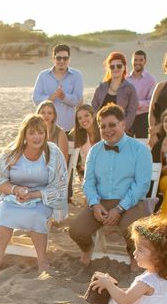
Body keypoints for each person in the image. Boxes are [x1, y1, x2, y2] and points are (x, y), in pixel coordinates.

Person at [69, 104, 152, 270]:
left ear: (123, 124)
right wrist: (94, 204)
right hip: (101, 201)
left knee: (133, 232)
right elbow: (89, 181)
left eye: (112, 124)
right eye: (103, 126)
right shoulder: (95, 151)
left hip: (131, 202)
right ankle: (88, 248)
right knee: (76, 231)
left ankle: (133, 255)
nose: (107, 130)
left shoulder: (140, 150)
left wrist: (120, 208)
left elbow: (141, 185)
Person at [0, 114, 68, 271]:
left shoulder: (53, 153)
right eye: (32, 133)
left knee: (37, 215)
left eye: (40, 132)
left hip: (42, 197)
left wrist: (34, 195)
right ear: (24, 134)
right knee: (5, 212)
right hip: (15, 197)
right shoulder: (11, 153)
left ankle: (42, 261)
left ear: (46, 134)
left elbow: (60, 185)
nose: (37, 137)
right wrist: (16, 189)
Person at [33, 44, 84, 132]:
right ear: (53, 58)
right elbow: (35, 99)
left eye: (65, 58)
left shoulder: (77, 75)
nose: (62, 61)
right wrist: (50, 98)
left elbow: (78, 100)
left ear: (69, 59)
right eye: (58, 58)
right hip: (46, 128)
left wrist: (64, 97)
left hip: (69, 127)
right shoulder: (43, 75)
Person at [91, 52, 138, 132]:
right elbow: (94, 108)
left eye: (119, 66)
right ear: (108, 69)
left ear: (124, 67)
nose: (115, 69)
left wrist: (121, 129)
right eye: (112, 67)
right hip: (102, 131)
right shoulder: (101, 88)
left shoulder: (130, 88)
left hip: (122, 132)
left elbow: (131, 112)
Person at [127, 50, 156, 139]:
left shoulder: (151, 79)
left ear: (145, 61)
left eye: (140, 60)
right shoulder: (125, 78)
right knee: (126, 145)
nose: (137, 62)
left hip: (143, 117)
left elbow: (152, 101)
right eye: (135, 60)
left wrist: (137, 103)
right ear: (132, 61)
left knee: (143, 144)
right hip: (128, 117)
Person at [69, 104, 101, 175]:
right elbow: (81, 162)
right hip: (89, 175)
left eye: (86, 115)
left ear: (93, 115)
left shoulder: (103, 132)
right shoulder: (80, 136)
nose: (83, 120)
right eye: (80, 118)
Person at [149, 54, 167, 149]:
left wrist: (158, 127)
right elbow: (152, 111)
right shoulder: (160, 86)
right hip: (158, 136)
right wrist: (153, 134)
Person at [155, 110, 167, 216]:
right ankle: (163, 219)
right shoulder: (158, 144)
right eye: (166, 121)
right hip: (162, 179)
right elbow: (154, 167)